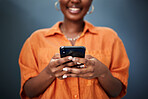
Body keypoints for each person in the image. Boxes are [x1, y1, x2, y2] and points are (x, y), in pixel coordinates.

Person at [19, 0, 130, 99]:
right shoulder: (36, 39)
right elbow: (29, 92)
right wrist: (49, 72)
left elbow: (116, 91)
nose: (75, 1)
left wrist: (102, 72)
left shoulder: (110, 38)